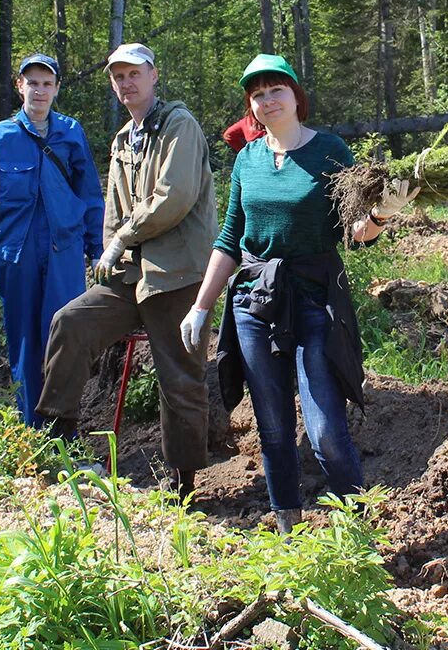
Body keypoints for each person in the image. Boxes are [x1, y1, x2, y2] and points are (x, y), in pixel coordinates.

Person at [179, 54, 418, 533]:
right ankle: (288, 529)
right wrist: (201, 306)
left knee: (326, 428)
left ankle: (358, 532)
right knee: (273, 428)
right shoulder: (247, 159)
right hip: (254, 300)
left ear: (295, 95)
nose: (267, 100)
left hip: (314, 298)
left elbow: (353, 230)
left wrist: (382, 215)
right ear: (251, 104)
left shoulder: (329, 151)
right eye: (257, 94)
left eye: (276, 90)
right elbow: (230, 238)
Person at [35, 43, 217, 495]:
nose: (126, 83)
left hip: (177, 272)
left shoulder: (179, 125)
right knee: (70, 322)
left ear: (154, 75)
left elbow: (174, 198)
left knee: (179, 376)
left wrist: (120, 240)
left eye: (134, 73)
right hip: (129, 276)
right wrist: (109, 255)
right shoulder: (122, 139)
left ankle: (184, 483)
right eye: (117, 76)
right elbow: (114, 211)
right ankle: (58, 439)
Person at [0, 53, 104, 427]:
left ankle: (62, 428)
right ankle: (31, 429)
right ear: (19, 86)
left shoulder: (71, 133)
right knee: (24, 342)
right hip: (16, 254)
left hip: (64, 252)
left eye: (47, 83)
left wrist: (97, 251)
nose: (39, 90)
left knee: (64, 338)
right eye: (32, 82)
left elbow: (89, 196)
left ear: (56, 88)